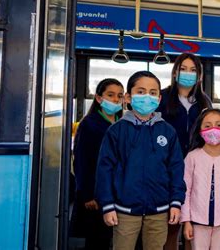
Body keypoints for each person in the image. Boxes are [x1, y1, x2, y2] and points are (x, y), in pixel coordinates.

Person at [95, 71, 186, 250]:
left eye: (153, 93)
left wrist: (176, 201)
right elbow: (105, 170)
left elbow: (176, 169)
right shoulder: (116, 131)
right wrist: (107, 204)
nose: (147, 97)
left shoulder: (168, 131)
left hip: (160, 210)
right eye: (141, 91)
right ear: (128, 97)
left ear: (159, 99)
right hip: (124, 210)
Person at [158, 53, 211, 250]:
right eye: (183, 69)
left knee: (194, 225)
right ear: (174, 72)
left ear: (199, 76)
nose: (188, 73)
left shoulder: (204, 102)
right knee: (170, 225)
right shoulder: (162, 99)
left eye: (193, 70)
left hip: (197, 170)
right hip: (167, 169)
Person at [181, 108, 220, 250]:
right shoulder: (192, 157)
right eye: (207, 126)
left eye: (219, 125)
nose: (213, 129)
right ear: (200, 130)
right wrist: (186, 221)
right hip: (197, 221)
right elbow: (185, 191)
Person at [72, 78, 124, 250]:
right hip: (95, 193)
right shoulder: (89, 124)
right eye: (110, 95)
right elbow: (81, 160)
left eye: (119, 96)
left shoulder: (123, 123)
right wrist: (87, 194)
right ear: (99, 98)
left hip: (118, 192)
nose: (116, 100)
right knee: (97, 239)